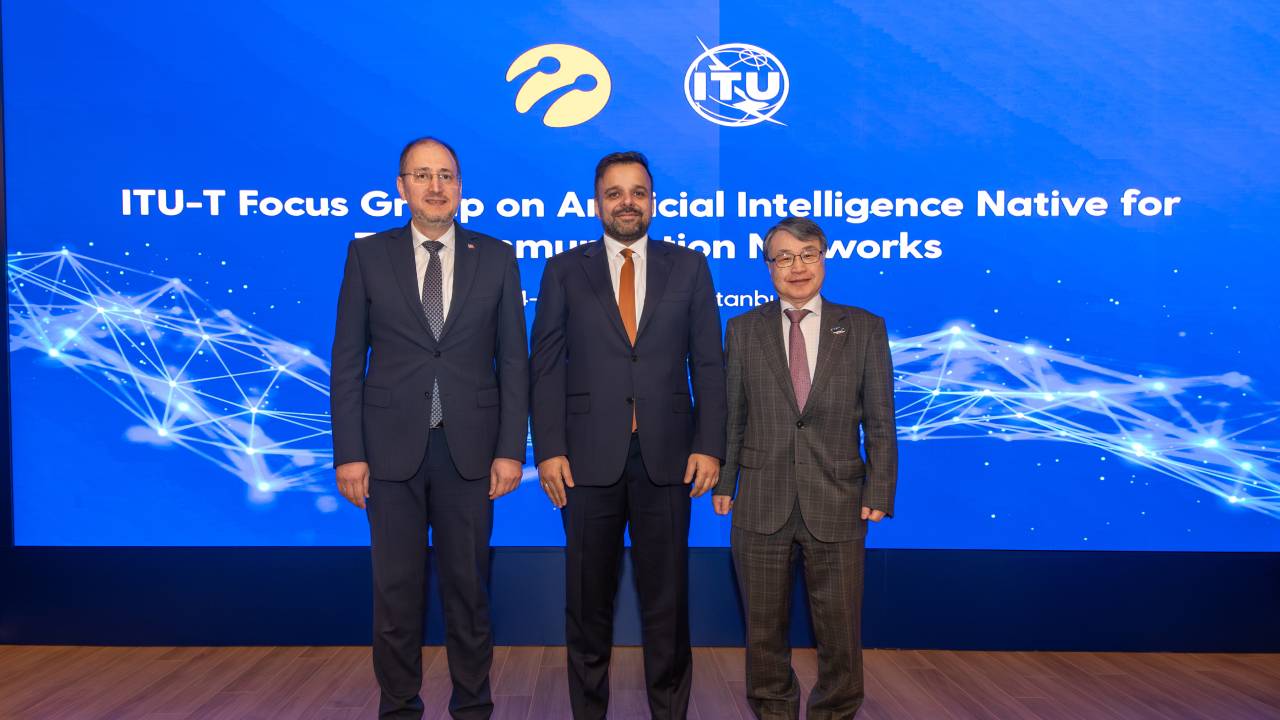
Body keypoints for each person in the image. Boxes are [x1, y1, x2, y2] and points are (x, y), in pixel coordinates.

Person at [330, 137, 528, 720]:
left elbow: (514, 361)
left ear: (460, 187)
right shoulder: (367, 255)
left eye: (446, 175)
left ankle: (473, 707)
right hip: (388, 453)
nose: (435, 187)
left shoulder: (496, 256)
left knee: (469, 593)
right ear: (402, 187)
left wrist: (510, 450)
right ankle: (398, 709)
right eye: (422, 175)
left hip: (471, 453)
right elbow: (347, 360)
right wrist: (349, 453)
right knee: (396, 595)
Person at [529, 151, 726, 719]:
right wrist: (549, 449)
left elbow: (708, 364)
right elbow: (546, 367)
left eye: (638, 192)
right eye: (614, 193)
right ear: (597, 203)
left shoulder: (689, 266)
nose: (627, 203)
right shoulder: (564, 269)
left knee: (668, 603)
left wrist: (709, 444)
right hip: (585, 460)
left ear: (653, 201)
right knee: (587, 601)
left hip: (670, 457)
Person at [713, 216, 898, 719]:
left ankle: (835, 711)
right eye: (784, 258)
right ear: (769, 267)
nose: (797, 267)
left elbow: (880, 420)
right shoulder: (743, 329)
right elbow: (733, 416)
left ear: (824, 259)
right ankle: (773, 710)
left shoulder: (863, 328)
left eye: (808, 255)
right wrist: (726, 481)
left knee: (840, 628)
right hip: (760, 499)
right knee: (763, 630)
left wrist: (879, 489)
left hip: (839, 499)